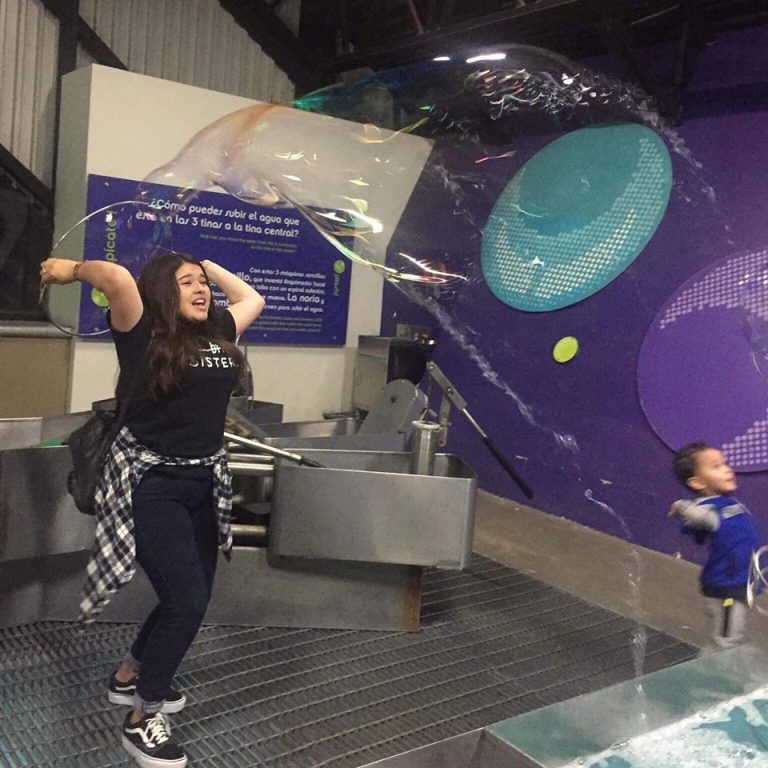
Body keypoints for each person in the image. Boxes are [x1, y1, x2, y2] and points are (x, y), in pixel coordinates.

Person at [40, 251, 265, 768]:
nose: (202, 289)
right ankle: (143, 717)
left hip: (203, 483)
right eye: (187, 283)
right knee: (186, 602)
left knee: (189, 598)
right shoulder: (141, 329)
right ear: (164, 291)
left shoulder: (219, 330)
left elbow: (253, 298)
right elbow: (117, 277)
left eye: (203, 283)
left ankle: (127, 677)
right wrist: (69, 271)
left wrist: (207, 264)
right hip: (152, 485)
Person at [669, 442, 761, 652]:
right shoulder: (707, 508)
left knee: (730, 631)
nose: (727, 469)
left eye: (725, 463)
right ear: (697, 482)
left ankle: (724, 662)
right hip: (726, 587)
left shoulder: (729, 503)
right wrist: (683, 507)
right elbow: (702, 518)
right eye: (716, 466)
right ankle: (715, 669)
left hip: (739, 580)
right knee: (725, 639)